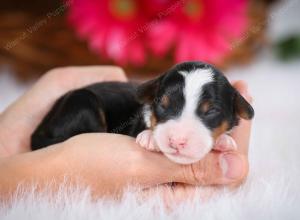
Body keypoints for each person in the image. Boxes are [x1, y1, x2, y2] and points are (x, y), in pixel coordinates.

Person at [0, 66, 252, 200]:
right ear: (153, 102)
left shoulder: (230, 118)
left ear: (234, 113)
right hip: (82, 109)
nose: (177, 136)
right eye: (165, 109)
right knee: (85, 104)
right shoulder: (141, 117)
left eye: (208, 113)